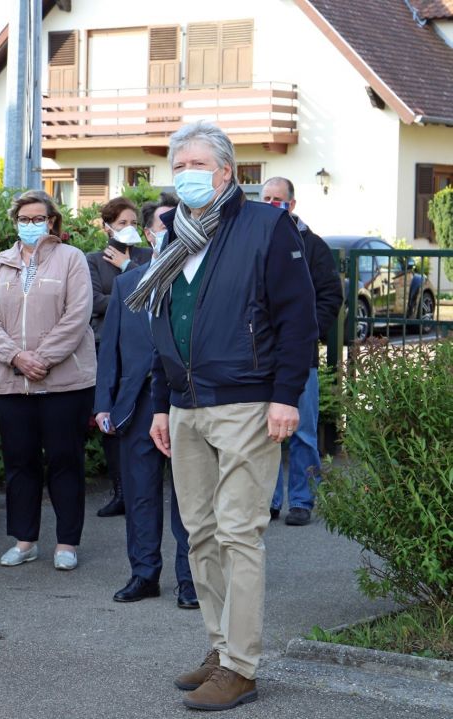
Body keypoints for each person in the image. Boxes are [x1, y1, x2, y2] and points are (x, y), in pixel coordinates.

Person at [126, 121, 316, 710]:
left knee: (238, 532)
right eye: (178, 163)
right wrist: (160, 405)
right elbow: (164, 326)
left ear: (227, 172)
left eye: (198, 163)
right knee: (201, 534)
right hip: (185, 405)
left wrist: (287, 395)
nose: (186, 172)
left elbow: (299, 317)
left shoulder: (265, 225)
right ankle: (219, 647)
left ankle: (241, 665)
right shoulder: (171, 237)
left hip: (247, 401)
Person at [0, 190, 98, 571]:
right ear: (15, 222)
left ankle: (66, 543)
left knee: (65, 461)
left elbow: (78, 316)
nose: (30, 225)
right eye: (23, 219)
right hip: (12, 383)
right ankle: (25, 540)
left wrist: (41, 359)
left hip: (64, 383)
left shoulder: (71, 259)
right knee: (20, 463)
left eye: (37, 218)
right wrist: (16, 357)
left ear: (52, 221)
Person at [94, 195, 196, 608]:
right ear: (150, 234)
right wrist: (104, 403)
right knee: (139, 494)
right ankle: (143, 574)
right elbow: (111, 349)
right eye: (160, 227)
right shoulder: (125, 283)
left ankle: (190, 580)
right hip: (135, 405)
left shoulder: (195, 282)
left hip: (186, 402)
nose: (164, 234)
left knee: (190, 495)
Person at [260, 177, 342, 527]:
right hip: (260, 357)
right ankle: (269, 500)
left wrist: (307, 333)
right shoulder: (253, 240)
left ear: (292, 204)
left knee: (303, 432)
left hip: (300, 358)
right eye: (265, 197)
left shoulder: (314, 247)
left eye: (277, 198)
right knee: (264, 434)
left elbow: (330, 297)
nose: (270, 203)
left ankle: (302, 500)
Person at [87, 197, 154, 518]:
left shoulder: (146, 257)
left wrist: (129, 272)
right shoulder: (93, 260)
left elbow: (157, 293)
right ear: (107, 226)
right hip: (106, 346)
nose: (129, 229)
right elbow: (94, 301)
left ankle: (143, 488)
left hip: (143, 350)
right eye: (122, 223)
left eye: (133, 223)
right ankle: (120, 491)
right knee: (110, 419)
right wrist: (128, 293)